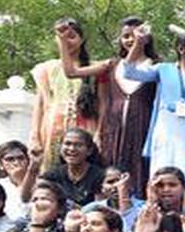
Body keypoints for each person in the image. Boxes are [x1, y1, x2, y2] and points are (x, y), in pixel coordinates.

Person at [57, 16, 157, 184]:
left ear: (147, 36)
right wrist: (62, 41)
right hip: (113, 128)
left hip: (143, 127)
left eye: (136, 34)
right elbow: (71, 72)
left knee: (141, 172)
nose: (131, 39)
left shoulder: (157, 66)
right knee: (111, 173)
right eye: (126, 36)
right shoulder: (111, 65)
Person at [123, 30, 185, 179]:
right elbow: (129, 73)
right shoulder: (163, 69)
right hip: (168, 129)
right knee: (164, 172)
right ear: (181, 49)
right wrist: (138, 44)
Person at [34, 19, 100, 172]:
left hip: (86, 126)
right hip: (53, 128)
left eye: (71, 36)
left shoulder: (94, 68)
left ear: (81, 39)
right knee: (52, 171)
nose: (66, 41)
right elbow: (40, 105)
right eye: (61, 36)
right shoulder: (47, 69)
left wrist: (99, 133)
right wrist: (34, 136)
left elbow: (101, 104)